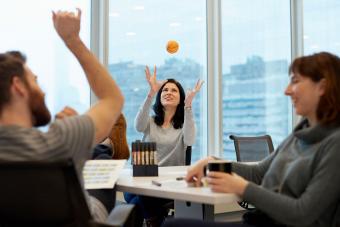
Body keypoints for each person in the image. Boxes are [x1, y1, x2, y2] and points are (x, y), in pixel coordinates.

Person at [163, 52, 340, 227]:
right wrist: (212, 162)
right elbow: (257, 174)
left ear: (322, 87)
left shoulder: (335, 144)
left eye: (295, 81)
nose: (287, 91)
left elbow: (301, 214)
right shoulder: (297, 136)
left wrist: (241, 188)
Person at [0, 9, 124, 222]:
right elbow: (113, 98)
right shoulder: (63, 138)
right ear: (18, 86)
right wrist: (72, 40)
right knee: (100, 163)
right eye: (35, 80)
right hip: (86, 219)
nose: (43, 90)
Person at [124, 66, 203, 227]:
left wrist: (188, 106)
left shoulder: (184, 124)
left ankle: (153, 221)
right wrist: (150, 94)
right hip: (144, 178)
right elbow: (138, 126)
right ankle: (155, 221)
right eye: (165, 90)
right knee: (135, 195)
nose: (168, 92)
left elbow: (190, 140)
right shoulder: (151, 121)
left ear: (181, 98)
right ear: (159, 96)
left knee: (136, 202)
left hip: (169, 182)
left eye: (174, 90)